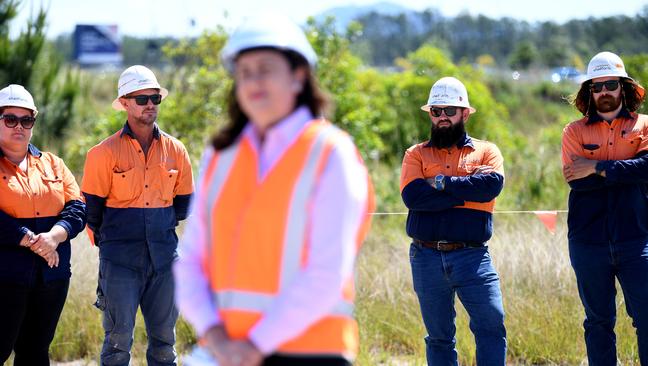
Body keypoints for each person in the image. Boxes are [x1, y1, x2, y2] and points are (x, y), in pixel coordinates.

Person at [173, 14, 374, 366]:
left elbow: (327, 273)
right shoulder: (221, 156)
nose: (253, 81)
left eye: (265, 68)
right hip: (226, 352)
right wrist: (217, 337)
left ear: (298, 76)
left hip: (311, 355)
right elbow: (190, 260)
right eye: (244, 72)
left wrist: (254, 346)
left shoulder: (331, 153)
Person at [81, 65, 194, 366]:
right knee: (117, 345)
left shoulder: (177, 150)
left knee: (165, 345)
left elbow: (183, 206)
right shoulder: (102, 154)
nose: (150, 105)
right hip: (119, 263)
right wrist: (116, 245)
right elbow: (92, 212)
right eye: (142, 98)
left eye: (155, 98)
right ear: (125, 103)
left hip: (165, 260)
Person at [400, 76, 507, 365]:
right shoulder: (415, 154)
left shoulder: (487, 151)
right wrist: (465, 189)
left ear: (465, 113)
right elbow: (413, 197)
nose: (442, 117)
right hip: (426, 256)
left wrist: (438, 183)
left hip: (472, 257)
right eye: (436, 111)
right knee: (438, 337)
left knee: (491, 324)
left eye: (449, 110)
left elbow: (490, 187)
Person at [562, 51, 648, 365]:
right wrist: (630, 169)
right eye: (596, 87)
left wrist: (597, 166)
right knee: (598, 323)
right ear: (589, 92)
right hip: (588, 243)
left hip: (637, 240)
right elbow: (578, 182)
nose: (603, 92)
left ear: (623, 87)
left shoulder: (646, 125)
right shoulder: (573, 132)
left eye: (610, 84)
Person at [0, 84, 86, 365]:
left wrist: (54, 237)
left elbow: (77, 207)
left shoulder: (53, 164)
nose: (19, 126)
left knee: (35, 352)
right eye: (10, 119)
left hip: (52, 277)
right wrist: (28, 239)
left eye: (27, 120)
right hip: (5, 279)